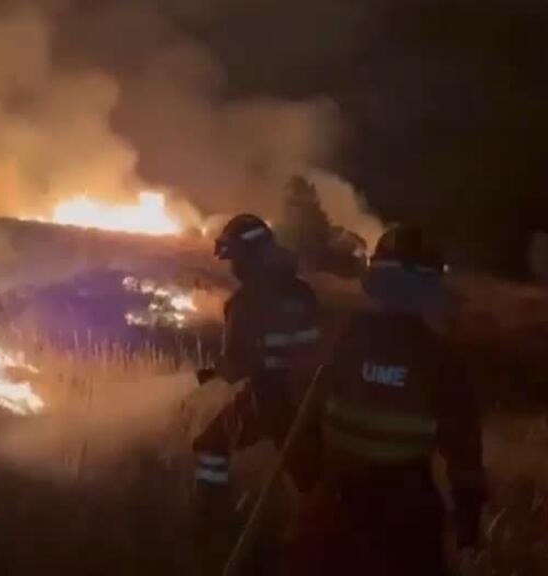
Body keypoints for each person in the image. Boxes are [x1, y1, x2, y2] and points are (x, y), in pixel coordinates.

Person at [288, 224, 485, 576]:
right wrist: (467, 535)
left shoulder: (343, 339)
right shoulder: (442, 361)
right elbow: (465, 456)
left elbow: (302, 425)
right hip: (407, 524)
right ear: (429, 290)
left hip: (335, 513)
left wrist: (317, 494)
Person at [192, 214, 322, 504]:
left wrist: (216, 372)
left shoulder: (245, 302)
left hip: (269, 398)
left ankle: (211, 517)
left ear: (248, 258)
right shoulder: (303, 292)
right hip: (311, 396)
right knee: (312, 478)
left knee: (211, 445)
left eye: (234, 258)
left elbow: (238, 365)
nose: (233, 267)